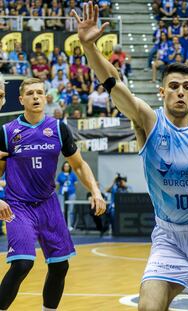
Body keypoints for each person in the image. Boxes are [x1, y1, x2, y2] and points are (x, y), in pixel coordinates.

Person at [72, 3, 188, 310]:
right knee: (148, 307)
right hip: (168, 234)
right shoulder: (148, 120)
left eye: (187, 87)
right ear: (161, 92)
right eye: (174, 86)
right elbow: (116, 87)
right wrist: (89, 48)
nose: (180, 92)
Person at [0, 77, 106, 310]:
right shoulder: (7, 132)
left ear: (45, 97)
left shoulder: (58, 128)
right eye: (30, 93)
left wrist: (96, 191)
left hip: (48, 205)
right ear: (21, 99)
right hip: (18, 205)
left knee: (60, 266)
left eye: (40, 92)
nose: (36, 97)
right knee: (21, 264)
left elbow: (78, 165)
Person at [56, 161, 78, 231]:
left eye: (68, 166)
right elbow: (57, 185)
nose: (66, 167)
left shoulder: (72, 175)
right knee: (62, 210)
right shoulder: (60, 175)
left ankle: (69, 225)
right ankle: (63, 225)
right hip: (62, 194)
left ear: (69, 167)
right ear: (63, 167)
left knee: (70, 210)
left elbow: (76, 184)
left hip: (71, 193)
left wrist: (71, 189)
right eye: (65, 166)